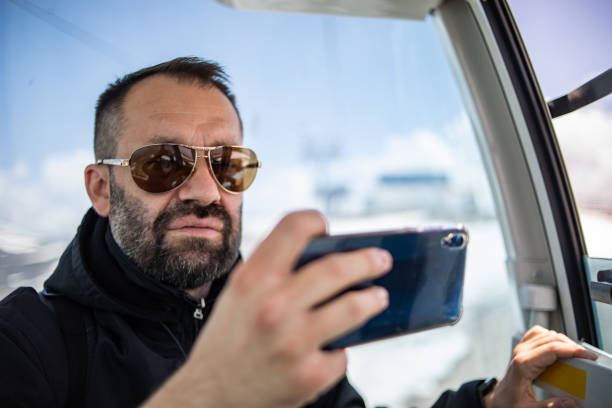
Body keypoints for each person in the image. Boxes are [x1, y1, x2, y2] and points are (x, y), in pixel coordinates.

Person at [0, 57, 596, 408]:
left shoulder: (278, 318)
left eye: (228, 165)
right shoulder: (28, 343)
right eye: (163, 162)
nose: (206, 191)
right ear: (102, 189)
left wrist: (489, 404)